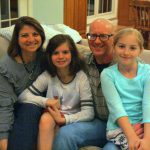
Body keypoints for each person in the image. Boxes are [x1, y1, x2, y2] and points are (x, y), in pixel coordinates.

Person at [51, 18, 120, 150]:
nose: (97, 41)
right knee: (65, 135)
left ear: (114, 38)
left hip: (123, 126)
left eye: (103, 36)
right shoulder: (82, 61)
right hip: (97, 123)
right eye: (92, 35)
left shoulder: (126, 63)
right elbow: (57, 59)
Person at [18, 34, 94, 150]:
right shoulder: (48, 75)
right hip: (52, 116)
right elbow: (23, 96)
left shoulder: (81, 77)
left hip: (73, 118)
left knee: (57, 127)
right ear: (49, 56)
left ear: (72, 54)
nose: (60, 57)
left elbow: (89, 112)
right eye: (55, 53)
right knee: (46, 118)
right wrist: (47, 101)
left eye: (65, 52)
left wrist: (63, 120)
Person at [0, 16, 45, 150]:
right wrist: (3, 139)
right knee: (29, 108)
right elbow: (4, 106)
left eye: (35, 34)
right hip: (15, 110)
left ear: (41, 36)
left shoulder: (46, 57)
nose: (31, 39)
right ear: (17, 39)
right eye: (25, 35)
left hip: (43, 107)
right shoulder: (5, 67)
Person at [101, 28, 150, 150]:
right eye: (121, 46)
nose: (126, 52)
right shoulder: (107, 74)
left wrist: (147, 140)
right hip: (119, 129)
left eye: (132, 48)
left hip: (145, 127)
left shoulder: (148, 71)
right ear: (114, 47)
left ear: (140, 50)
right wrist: (132, 137)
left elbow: (148, 105)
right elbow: (116, 108)